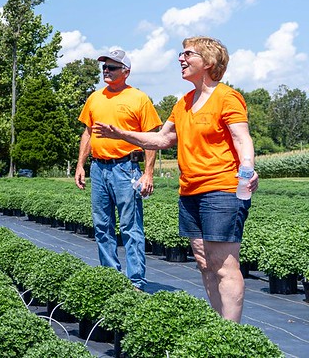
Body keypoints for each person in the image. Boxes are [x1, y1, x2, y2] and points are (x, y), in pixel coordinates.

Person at [93, 36, 259, 322]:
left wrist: (248, 168)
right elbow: (162, 138)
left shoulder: (226, 97)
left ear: (208, 61)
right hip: (190, 190)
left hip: (221, 189)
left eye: (187, 54)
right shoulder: (184, 102)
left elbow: (242, 139)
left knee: (223, 265)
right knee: (205, 262)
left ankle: (230, 334)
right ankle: (217, 325)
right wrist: (121, 134)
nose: (180, 59)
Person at [75, 49, 162, 290]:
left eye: (112, 68)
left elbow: (150, 138)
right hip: (99, 169)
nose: (106, 71)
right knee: (102, 225)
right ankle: (110, 277)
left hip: (126, 169)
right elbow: (88, 132)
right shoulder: (95, 98)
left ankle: (135, 280)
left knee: (130, 226)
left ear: (126, 71)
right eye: (104, 67)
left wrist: (148, 173)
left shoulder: (139, 98)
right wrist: (81, 165)